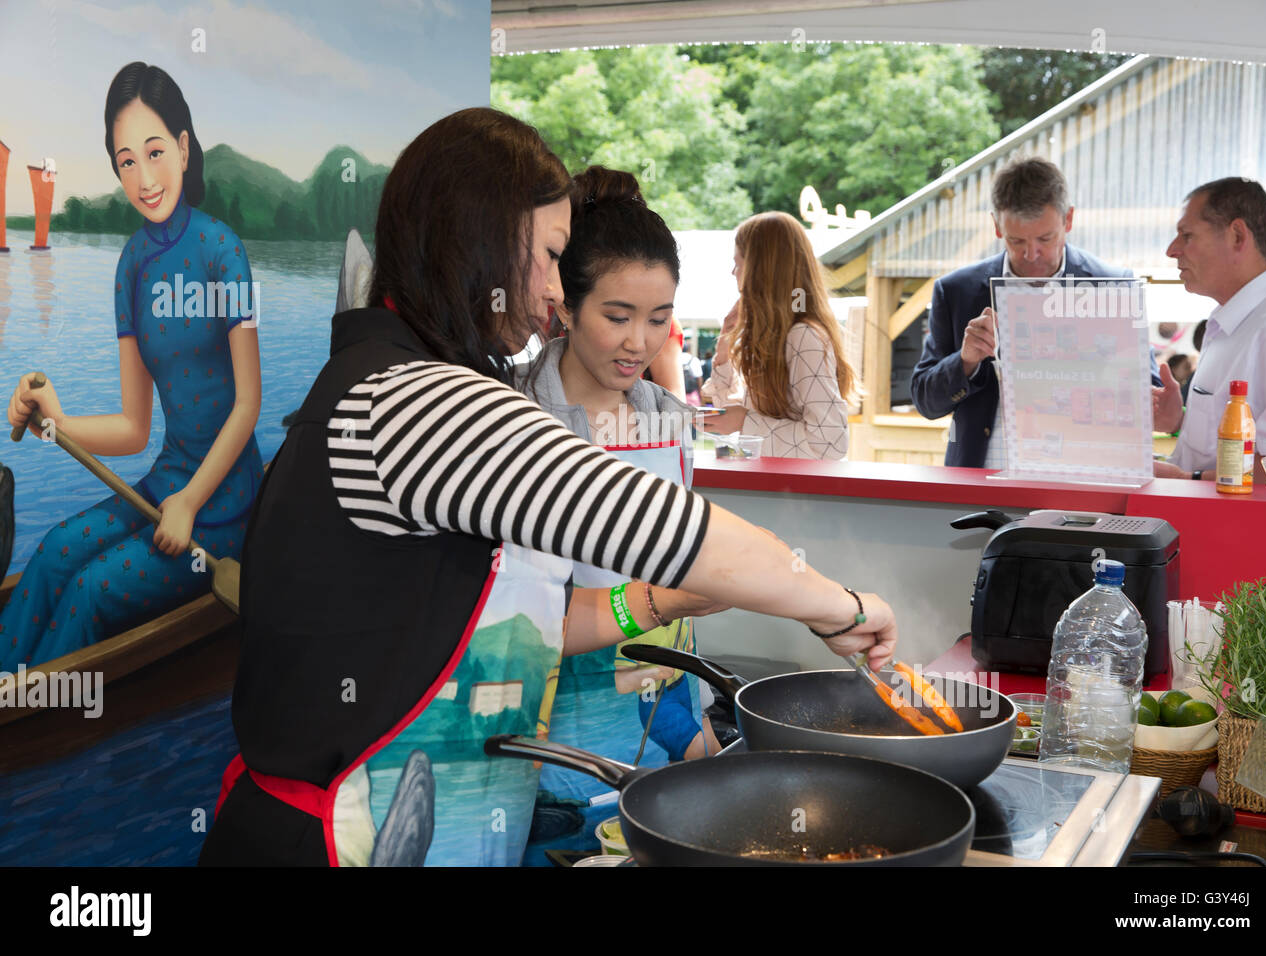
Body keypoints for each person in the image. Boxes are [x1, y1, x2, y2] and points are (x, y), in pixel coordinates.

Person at [198, 108, 897, 868]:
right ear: (480, 238)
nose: (553, 288)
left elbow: (538, 611)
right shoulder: (412, 400)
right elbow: (665, 529)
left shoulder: (389, 379)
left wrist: (672, 612)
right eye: (549, 255)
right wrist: (845, 607)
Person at [2, 62, 262, 670]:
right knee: (54, 552)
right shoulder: (131, 265)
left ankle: (34, 709)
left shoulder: (224, 251)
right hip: (165, 483)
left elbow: (247, 404)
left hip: (225, 507)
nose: (143, 178)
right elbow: (134, 429)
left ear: (183, 146)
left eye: (153, 152)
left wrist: (191, 503)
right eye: (125, 161)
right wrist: (54, 421)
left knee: (90, 588)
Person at [515, 165, 717, 860]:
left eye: (659, 320)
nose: (640, 343)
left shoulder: (666, 419)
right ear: (565, 306)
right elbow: (524, 626)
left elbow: (686, 602)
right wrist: (663, 602)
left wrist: (701, 742)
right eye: (618, 317)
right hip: (551, 772)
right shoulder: (515, 423)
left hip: (663, 747)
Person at [910, 157, 1140, 468]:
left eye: (1045, 239)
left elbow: (1144, 391)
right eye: (1016, 241)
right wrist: (965, 362)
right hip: (983, 483)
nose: (1032, 255)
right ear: (996, 226)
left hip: (1079, 480)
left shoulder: (1113, 286)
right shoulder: (956, 291)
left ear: (1068, 220)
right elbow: (925, 401)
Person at [1152, 178, 1266, 481]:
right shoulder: (1228, 322)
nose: (1172, 250)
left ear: (1236, 235)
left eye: (1187, 235)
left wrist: (1188, 479)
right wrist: (1180, 419)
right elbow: (1231, 442)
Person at [699, 211, 855, 459]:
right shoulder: (773, 338)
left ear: (761, 270)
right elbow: (725, 409)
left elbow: (829, 444)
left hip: (799, 494)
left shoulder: (804, 337)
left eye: (738, 264)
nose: (733, 273)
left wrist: (745, 423)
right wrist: (724, 348)